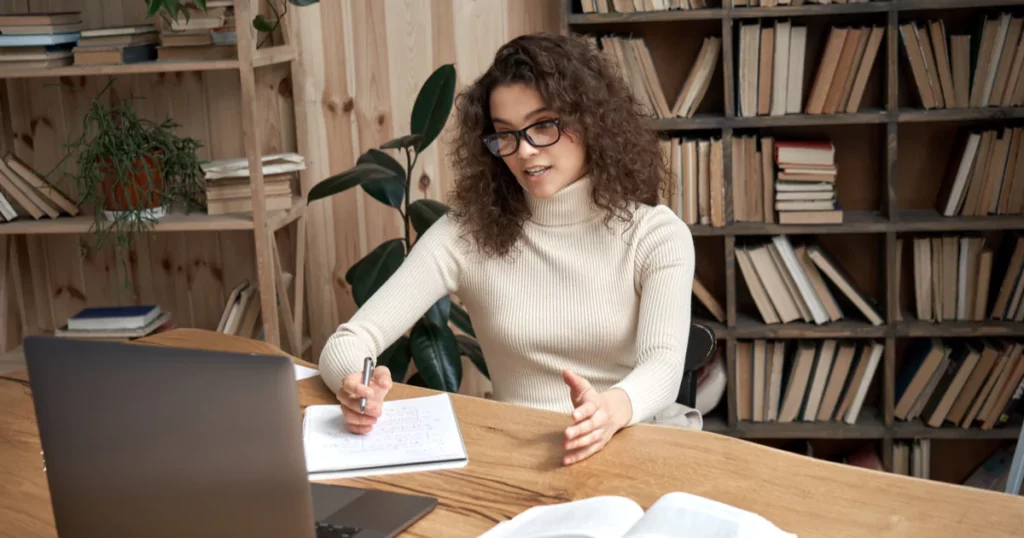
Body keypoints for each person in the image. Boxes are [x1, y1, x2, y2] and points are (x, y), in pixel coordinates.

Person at [319, 32, 697, 466]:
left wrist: (609, 411)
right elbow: (349, 341)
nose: (525, 151)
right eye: (506, 135)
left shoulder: (655, 235)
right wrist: (354, 385)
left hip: (634, 446)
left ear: (591, 120)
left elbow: (664, 366)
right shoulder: (465, 234)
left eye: (543, 125)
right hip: (519, 457)